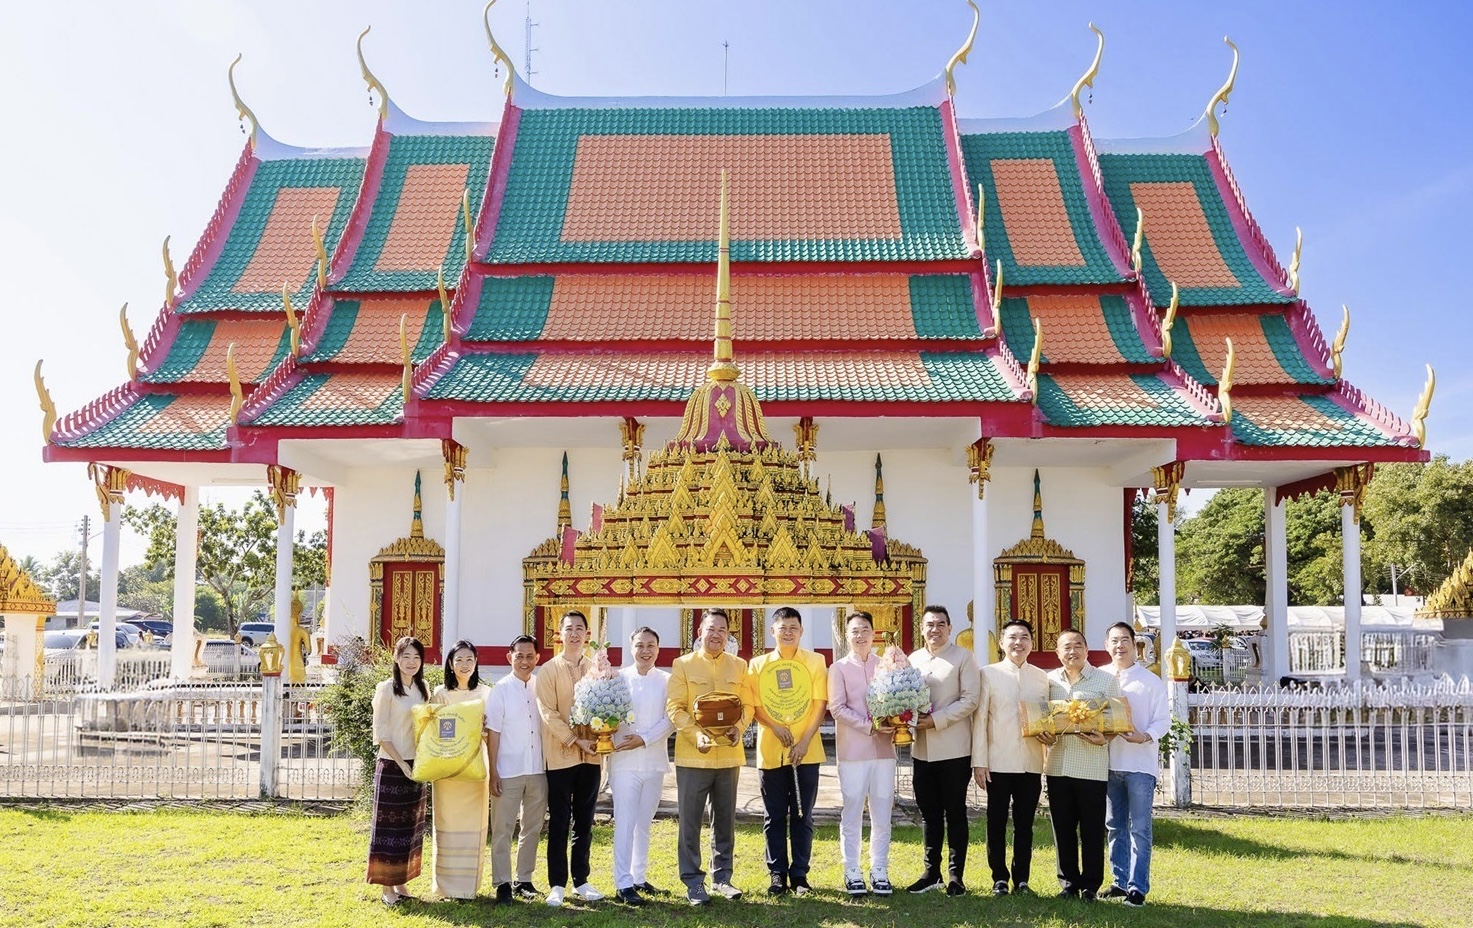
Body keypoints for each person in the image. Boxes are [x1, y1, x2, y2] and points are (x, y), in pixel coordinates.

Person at [666, 608, 753, 906]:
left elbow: (748, 706)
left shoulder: (740, 666)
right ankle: (693, 881)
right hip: (694, 756)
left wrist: (739, 729)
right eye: (711, 629)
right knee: (690, 821)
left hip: (729, 755)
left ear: (728, 634)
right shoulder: (683, 665)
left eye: (722, 630)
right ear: (699, 632)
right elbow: (675, 707)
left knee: (726, 820)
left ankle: (723, 878)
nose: (716, 635)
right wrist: (695, 734)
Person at [748, 606, 828, 896]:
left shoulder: (816, 661)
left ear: (802, 631)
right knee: (774, 815)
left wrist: (805, 740)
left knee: (803, 814)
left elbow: (820, 705)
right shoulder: (758, 665)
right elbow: (754, 705)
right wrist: (773, 726)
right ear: (773, 631)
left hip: (807, 750)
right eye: (783, 628)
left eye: (794, 627)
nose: (789, 632)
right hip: (771, 748)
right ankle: (777, 873)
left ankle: (800, 875)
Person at [972, 619, 1050, 897]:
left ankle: (1023, 878)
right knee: (996, 821)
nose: (1019, 643)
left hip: (1030, 761)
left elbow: (1047, 720)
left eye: (1025, 637)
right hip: (997, 761)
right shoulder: (988, 674)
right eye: (1013, 638)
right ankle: (999, 877)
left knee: (1025, 824)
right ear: (1002, 643)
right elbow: (980, 720)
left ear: (1032, 643)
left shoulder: (1042, 678)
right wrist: (979, 761)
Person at [1040, 628, 1120, 902]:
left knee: (1092, 828)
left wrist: (1104, 737)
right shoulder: (1049, 681)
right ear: (1057, 652)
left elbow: (1117, 719)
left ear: (1087, 650)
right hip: (1058, 764)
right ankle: (1068, 883)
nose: (1071, 652)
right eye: (1066, 647)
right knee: (1062, 827)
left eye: (1077, 646)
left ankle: (1090, 885)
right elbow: (1042, 719)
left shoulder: (1106, 681)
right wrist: (1045, 735)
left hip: (1091, 765)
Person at [906, 605, 981, 896]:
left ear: (950, 628)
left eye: (940, 624)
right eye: (929, 624)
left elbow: (970, 700)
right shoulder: (913, 660)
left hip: (953, 749)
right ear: (922, 628)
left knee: (955, 812)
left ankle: (955, 875)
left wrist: (935, 720)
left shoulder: (963, 657)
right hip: (921, 750)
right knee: (929, 813)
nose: (934, 629)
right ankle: (930, 872)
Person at [535, 610, 605, 907]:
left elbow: (604, 708)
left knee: (585, 820)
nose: (574, 633)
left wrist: (600, 737)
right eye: (569, 628)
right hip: (561, 756)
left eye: (580, 628)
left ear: (587, 634)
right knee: (561, 819)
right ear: (559, 634)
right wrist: (575, 740)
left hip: (591, 757)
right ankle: (557, 883)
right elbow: (548, 713)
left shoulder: (596, 669)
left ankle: (582, 879)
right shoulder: (549, 670)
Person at [827, 611, 896, 896]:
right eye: (854, 631)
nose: (860, 635)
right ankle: (851, 869)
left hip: (884, 751)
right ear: (846, 635)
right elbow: (837, 708)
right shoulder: (839, 668)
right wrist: (869, 727)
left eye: (865, 629)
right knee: (852, 810)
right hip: (853, 749)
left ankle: (879, 868)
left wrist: (896, 720)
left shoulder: (887, 665)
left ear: (873, 632)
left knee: (882, 811)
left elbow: (896, 698)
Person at [1102, 621, 1171, 908]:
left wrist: (1144, 736)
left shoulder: (1150, 681)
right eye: (1115, 641)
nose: (1120, 646)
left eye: (1125, 640)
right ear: (1107, 645)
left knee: (1139, 827)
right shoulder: (1101, 679)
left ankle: (1138, 887)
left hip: (1140, 765)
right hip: (1108, 763)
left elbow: (1163, 721)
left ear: (1135, 645)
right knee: (1114, 825)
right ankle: (1119, 881)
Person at [609, 627, 673, 906]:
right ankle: (622, 883)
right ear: (631, 647)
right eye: (639, 645)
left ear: (658, 648)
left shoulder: (667, 680)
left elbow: (670, 719)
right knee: (625, 822)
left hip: (654, 760)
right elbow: (606, 716)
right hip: (624, 762)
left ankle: (638, 876)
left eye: (650, 645)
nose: (645, 651)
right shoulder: (617, 679)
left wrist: (644, 739)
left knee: (644, 823)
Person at [486, 634, 549, 904]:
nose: (524, 661)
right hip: (508, 770)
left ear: (537, 658)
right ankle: (502, 882)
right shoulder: (500, 690)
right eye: (519, 656)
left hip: (537, 769)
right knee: (502, 829)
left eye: (529, 656)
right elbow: (493, 734)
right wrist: (493, 772)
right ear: (509, 657)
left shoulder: (541, 686)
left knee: (532, 828)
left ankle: (524, 879)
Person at [366, 636, 429, 906]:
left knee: (410, 827)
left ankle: (401, 882)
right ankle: (386, 889)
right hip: (393, 766)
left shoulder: (423, 688)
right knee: (388, 828)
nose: (411, 662)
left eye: (416, 657)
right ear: (396, 657)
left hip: (418, 766)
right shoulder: (386, 690)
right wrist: (402, 764)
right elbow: (381, 734)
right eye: (406, 656)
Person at [428, 640, 490, 900]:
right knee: (446, 822)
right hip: (447, 770)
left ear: (476, 662)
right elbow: (433, 728)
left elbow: (490, 730)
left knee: (474, 825)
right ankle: (445, 886)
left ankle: (468, 887)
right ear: (450, 664)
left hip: (476, 767)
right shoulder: (440, 693)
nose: (464, 665)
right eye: (459, 660)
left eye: (469, 659)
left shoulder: (486, 693)